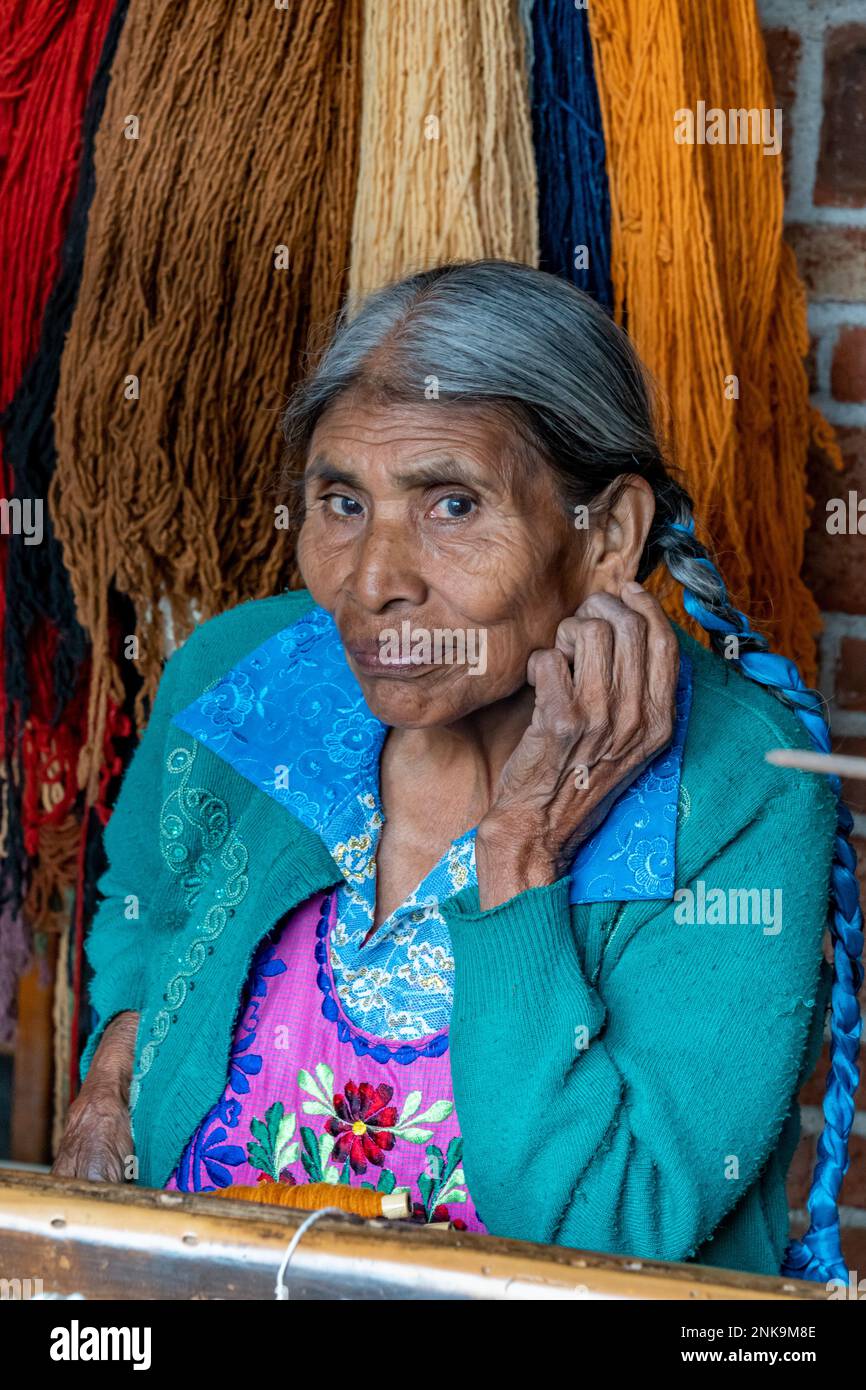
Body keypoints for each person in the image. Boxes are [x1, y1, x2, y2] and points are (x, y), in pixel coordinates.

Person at [54, 259, 859, 1279]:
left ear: (603, 533)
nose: (373, 581)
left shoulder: (738, 793)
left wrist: (519, 848)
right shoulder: (243, 682)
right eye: (341, 501)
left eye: (449, 506)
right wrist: (118, 1055)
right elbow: (148, 901)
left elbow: (599, 1236)